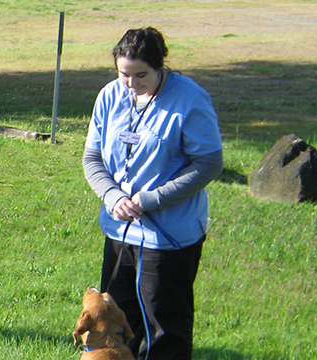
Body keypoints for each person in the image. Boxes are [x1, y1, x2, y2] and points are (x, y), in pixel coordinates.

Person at [81, 27, 223, 360]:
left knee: (163, 330)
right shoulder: (109, 95)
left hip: (169, 237)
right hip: (119, 231)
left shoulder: (190, 99)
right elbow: (92, 158)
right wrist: (113, 196)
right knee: (116, 320)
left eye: (140, 75)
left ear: (161, 66)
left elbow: (209, 163)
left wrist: (151, 199)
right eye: (123, 74)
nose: (130, 84)